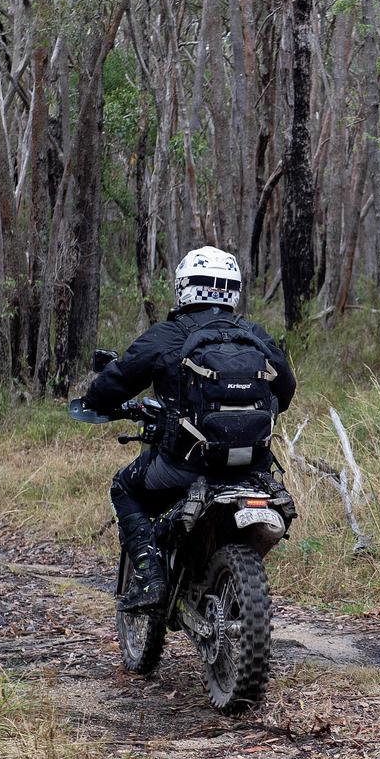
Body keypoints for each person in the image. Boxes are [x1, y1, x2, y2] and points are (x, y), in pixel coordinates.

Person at [81, 247, 295, 612]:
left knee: (124, 488)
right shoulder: (254, 334)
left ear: (184, 288)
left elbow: (115, 383)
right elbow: (285, 391)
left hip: (184, 466)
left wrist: (95, 401)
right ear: (233, 290)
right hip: (251, 468)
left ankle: (150, 578)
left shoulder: (167, 335)